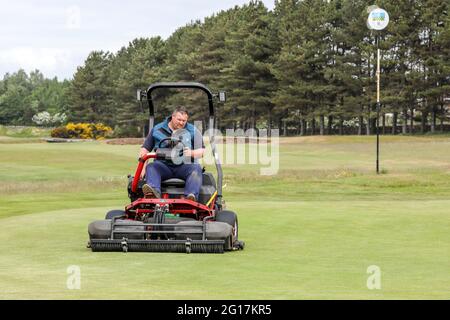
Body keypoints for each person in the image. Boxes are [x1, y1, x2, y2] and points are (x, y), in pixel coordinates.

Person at [139, 106, 205, 201]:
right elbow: (145, 149)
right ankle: (153, 193)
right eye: (179, 120)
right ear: (172, 117)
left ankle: (190, 197)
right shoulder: (157, 129)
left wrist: (191, 152)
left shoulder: (192, 131)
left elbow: (202, 151)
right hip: (163, 165)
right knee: (151, 167)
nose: (181, 123)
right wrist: (142, 167)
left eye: (184, 120)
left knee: (196, 168)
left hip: (184, 166)